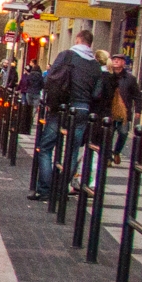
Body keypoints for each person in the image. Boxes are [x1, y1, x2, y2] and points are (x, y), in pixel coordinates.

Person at [31, 31, 103, 199]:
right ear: (90, 44)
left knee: (46, 147)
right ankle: (61, 189)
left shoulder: (67, 55)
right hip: (83, 110)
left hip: (61, 108)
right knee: (72, 151)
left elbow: (50, 79)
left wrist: (49, 100)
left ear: (77, 40)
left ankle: (45, 189)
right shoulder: (95, 65)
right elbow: (97, 93)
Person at [104, 54, 142, 155]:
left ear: (123, 63)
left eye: (119, 60)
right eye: (114, 59)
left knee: (124, 133)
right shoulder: (108, 76)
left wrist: (138, 110)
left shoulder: (130, 78)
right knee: (109, 133)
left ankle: (116, 152)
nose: (116, 61)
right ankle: (108, 156)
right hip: (109, 110)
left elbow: (137, 95)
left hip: (124, 112)